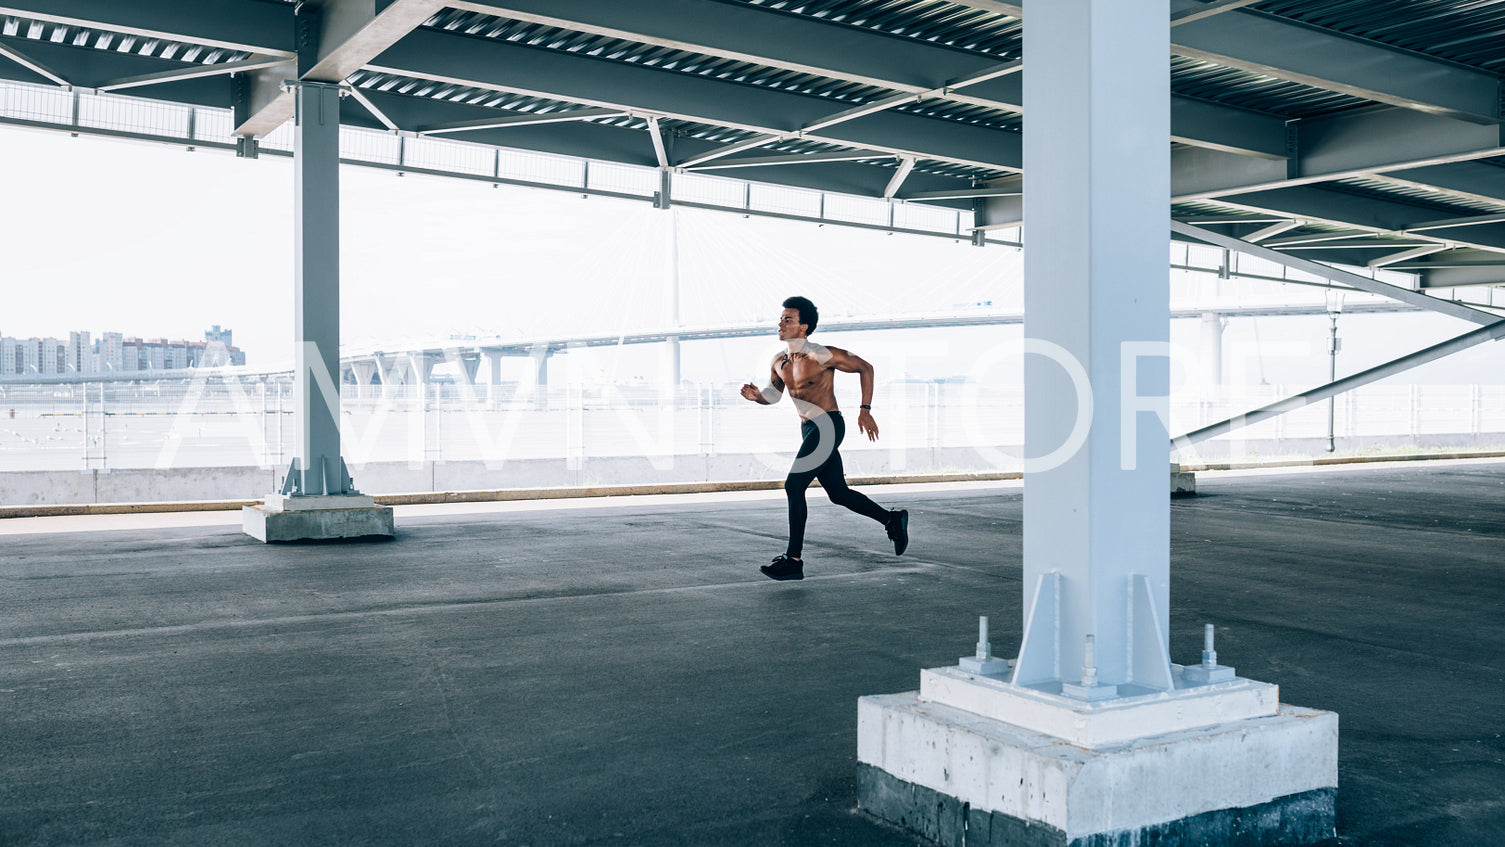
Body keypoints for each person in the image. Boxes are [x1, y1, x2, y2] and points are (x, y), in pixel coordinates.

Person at [739, 296, 909, 581]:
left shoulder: (821, 355)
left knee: (794, 485)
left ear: (803, 328)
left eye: (788, 320)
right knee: (839, 494)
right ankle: (892, 520)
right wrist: (757, 397)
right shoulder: (779, 361)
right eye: (781, 318)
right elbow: (774, 395)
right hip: (809, 429)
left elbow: (865, 368)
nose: (780, 323)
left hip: (828, 425)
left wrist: (865, 410)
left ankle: (793, 560)